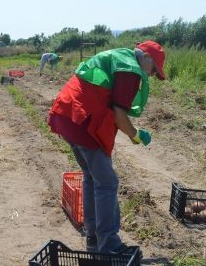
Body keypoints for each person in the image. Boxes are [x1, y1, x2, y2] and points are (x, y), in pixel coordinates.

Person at [47, 40, 166, 254]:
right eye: (154, 69)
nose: (151, 75)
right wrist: (136, 134)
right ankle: (109, 245)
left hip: (67, 114)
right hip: (83, 120)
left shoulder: (121, 56)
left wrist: (132, 132)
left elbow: (112, 106)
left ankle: (94, 238)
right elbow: (120, 116)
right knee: (107, 182)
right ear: (146, 57)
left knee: (93, 178)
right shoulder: (131, 69)